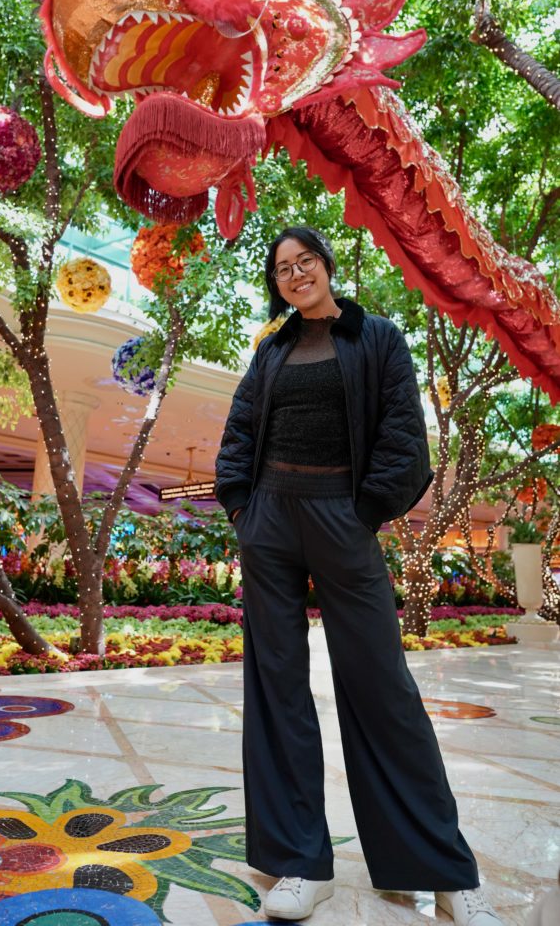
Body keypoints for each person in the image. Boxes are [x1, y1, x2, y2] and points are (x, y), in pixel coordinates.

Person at [215, 227, 504, 925]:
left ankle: (441, 871)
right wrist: (241, 506)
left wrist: (366, 509)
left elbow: (402, 431)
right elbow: (241, 430)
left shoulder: (376, 337)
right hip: (271, 525)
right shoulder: (272, 349)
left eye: (303, 262)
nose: (294, 275)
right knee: (276, 688)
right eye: (281, 269)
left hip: (342, 518)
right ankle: (298, 863)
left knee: (382, 688)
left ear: (326, 266)